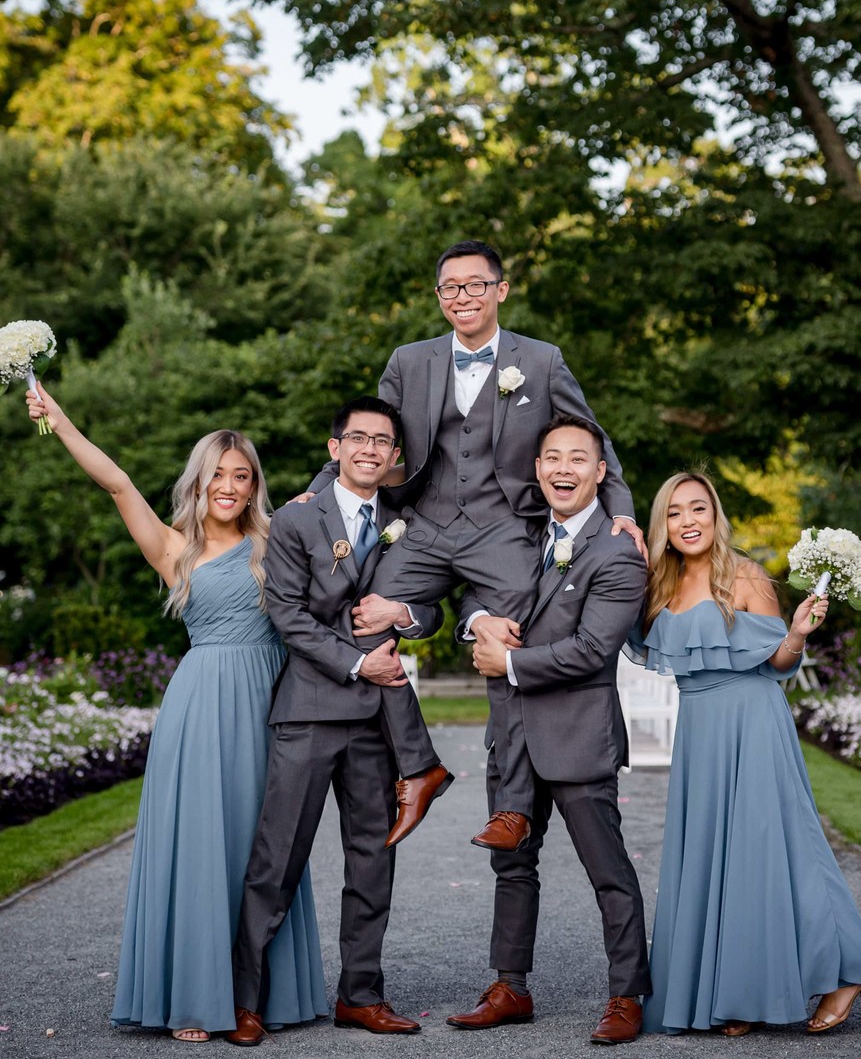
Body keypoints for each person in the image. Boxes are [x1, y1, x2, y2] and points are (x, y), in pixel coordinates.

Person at [311, 239, 645, 849]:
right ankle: (418, 765)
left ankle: (512, 805)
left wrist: (620, 511)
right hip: (426, 526)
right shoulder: (409, 361)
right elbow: (370, 436)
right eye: (450, 288)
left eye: (474, 285)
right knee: (361, 622)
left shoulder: (540, 361)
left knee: (508, 638)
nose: (462, 296)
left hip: (504, 528)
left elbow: (594, 438)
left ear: (501, 290)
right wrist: (317, 491)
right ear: (439, 297)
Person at [25, 385, 327, 1044]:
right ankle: (195, 996)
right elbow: (117, 483)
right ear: (200, 480)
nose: (228, 484)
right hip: (197, 711)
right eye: (217, 473)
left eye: (240, 475)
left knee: (264, 845)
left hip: (267, 709)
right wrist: (60, 418)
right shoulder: (173, 549)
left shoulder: (281, 539)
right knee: (200, 848)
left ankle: (264, 995)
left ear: (253, 487)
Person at [633, 470, 861, 1036]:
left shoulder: (746, 575)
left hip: (753, 721)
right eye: (675, 512)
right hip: (700, 730)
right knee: (718, 859)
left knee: (776, 852)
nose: (687, 521)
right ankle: (737, 993)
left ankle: (849, 969)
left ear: (715, 515)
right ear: (664, 524)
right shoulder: (657, 582)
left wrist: (798, 634)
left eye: (698, 508)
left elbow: (777, 662)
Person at [227, 397, 444, 1046]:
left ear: (394, 456)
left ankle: (361, 994)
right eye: (359, 438)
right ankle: (245, 1000)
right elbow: (287, 615)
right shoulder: (297, 520)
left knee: (373, 859)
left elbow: (432, 605)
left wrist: (404, 616)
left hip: (376, 724)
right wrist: (360, 665)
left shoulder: (409, 521)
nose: (371, 449)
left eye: (384, 441)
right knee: (277, 858)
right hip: (311, 711)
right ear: (335, 448)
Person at [446, 416, 651, 1045]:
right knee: (512, 868)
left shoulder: (620, 552)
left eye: (577, 459)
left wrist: (508, 662)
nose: (563, 469)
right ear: (537, 469)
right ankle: (511, 987)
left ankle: (626, 995)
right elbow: (466, 591)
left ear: (599, 473)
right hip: (512, 738)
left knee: (608, 871)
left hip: (578, 735)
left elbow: (593, 648)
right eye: (552, 458)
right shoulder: (514, 533)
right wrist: (479, 620)